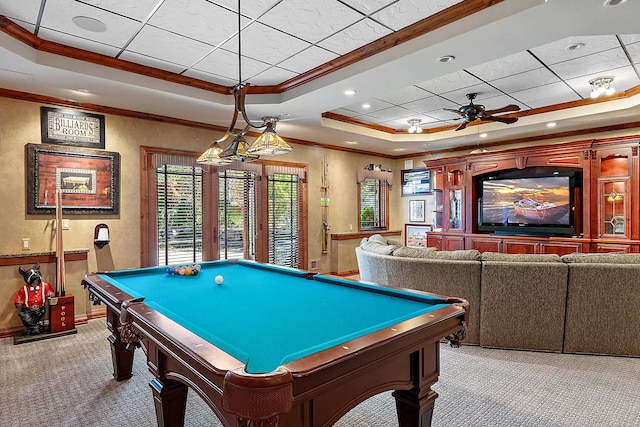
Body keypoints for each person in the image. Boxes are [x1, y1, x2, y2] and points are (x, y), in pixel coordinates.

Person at [14, 264, 55, 335]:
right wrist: (18, 303)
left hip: (40, 309)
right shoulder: (23, 290)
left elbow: (51, 292)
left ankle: (33, 328)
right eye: (33, 281)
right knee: (25, 318)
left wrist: (50, 294)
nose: (35, 283)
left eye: (37, 281)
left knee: (36, 319)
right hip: (27, 310)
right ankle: (36, 328)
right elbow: (19, 297)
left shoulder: (45, 286)